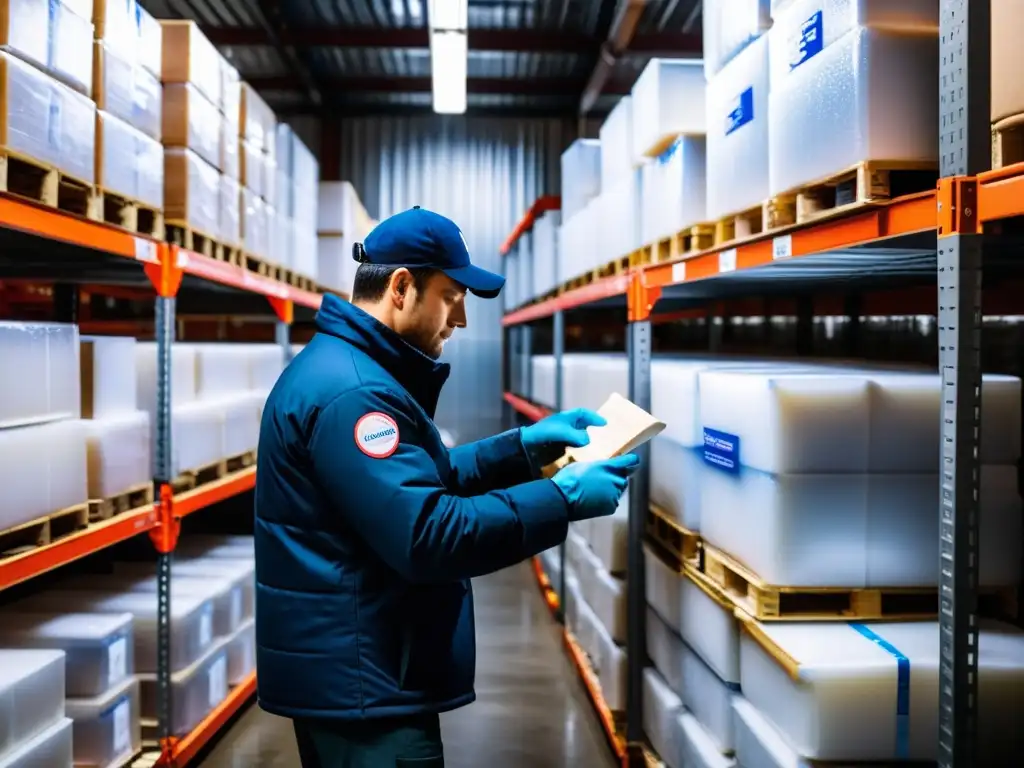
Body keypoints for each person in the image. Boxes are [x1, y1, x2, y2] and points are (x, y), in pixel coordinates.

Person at [254, 206, 639, 767]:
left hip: (358, 676)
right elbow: (426, 534)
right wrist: (563, 498)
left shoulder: (351, 370)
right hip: (366, 692)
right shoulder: (355, 395)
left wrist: (523, 448)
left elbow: (415, 481)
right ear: (403, 287)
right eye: (452, 296)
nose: (460, 319)